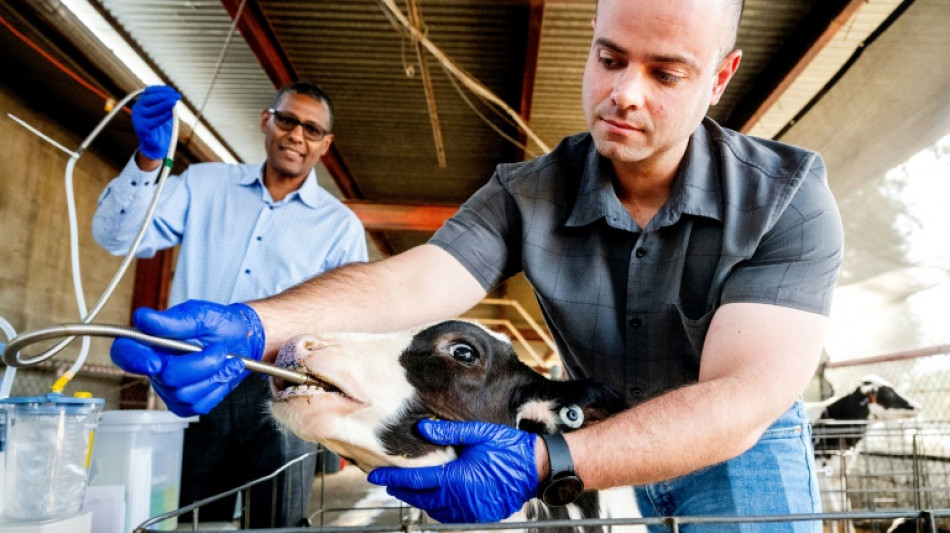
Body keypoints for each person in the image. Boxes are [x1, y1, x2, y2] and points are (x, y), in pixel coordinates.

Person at [108, 0, 844, 531]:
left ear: (721, 78)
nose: (624, 92)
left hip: (738, 452)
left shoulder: (787, 199)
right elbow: (418, 281)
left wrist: (541, 460)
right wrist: (256, 324)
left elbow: (743, 396)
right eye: (610, 58)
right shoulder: (529, 192)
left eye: (667, 72)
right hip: (593, 419)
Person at [92, 81, 368, 528]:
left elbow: (350, 322)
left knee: (276, 521)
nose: (297, 135)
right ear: (267, 120)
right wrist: (147, 159)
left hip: (282, 388)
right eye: (288, 120)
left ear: (326, 144)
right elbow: (116, 236)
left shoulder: (340, 227)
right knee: (195, 516)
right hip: (198, 379)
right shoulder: (205, 184)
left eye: (312, 130)